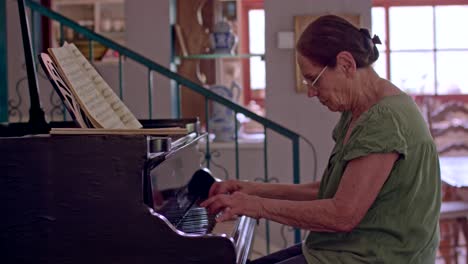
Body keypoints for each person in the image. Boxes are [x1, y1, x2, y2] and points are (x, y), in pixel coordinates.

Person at [201, 14, 441, 264]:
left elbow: (342, 215)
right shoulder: (360, 109)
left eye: (313, 79)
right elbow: (332, 191)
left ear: (346, 64)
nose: (311, 92)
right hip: (346, 250)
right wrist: (252, 189)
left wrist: (257, 206)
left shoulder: (384, 119)